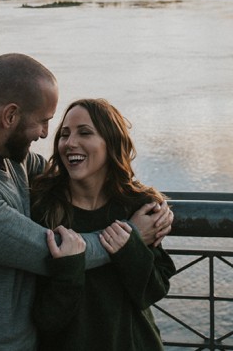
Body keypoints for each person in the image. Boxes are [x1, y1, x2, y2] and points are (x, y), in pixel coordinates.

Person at [0, 54, 173, 351]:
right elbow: (52, 251)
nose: (45, 135)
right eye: (44, 122)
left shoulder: (12, 160)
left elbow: (63, 168)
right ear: (10, 117)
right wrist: (132, 235)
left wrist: (147, 200)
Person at [30, 97, 176, 351]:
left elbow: (154, 290)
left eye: (84, 132)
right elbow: (46, 318)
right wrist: (70, 268)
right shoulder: (43, 207)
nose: (70, 143)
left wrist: (130, 245)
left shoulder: (138, 205)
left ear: (110, 142)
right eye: (64, 135)